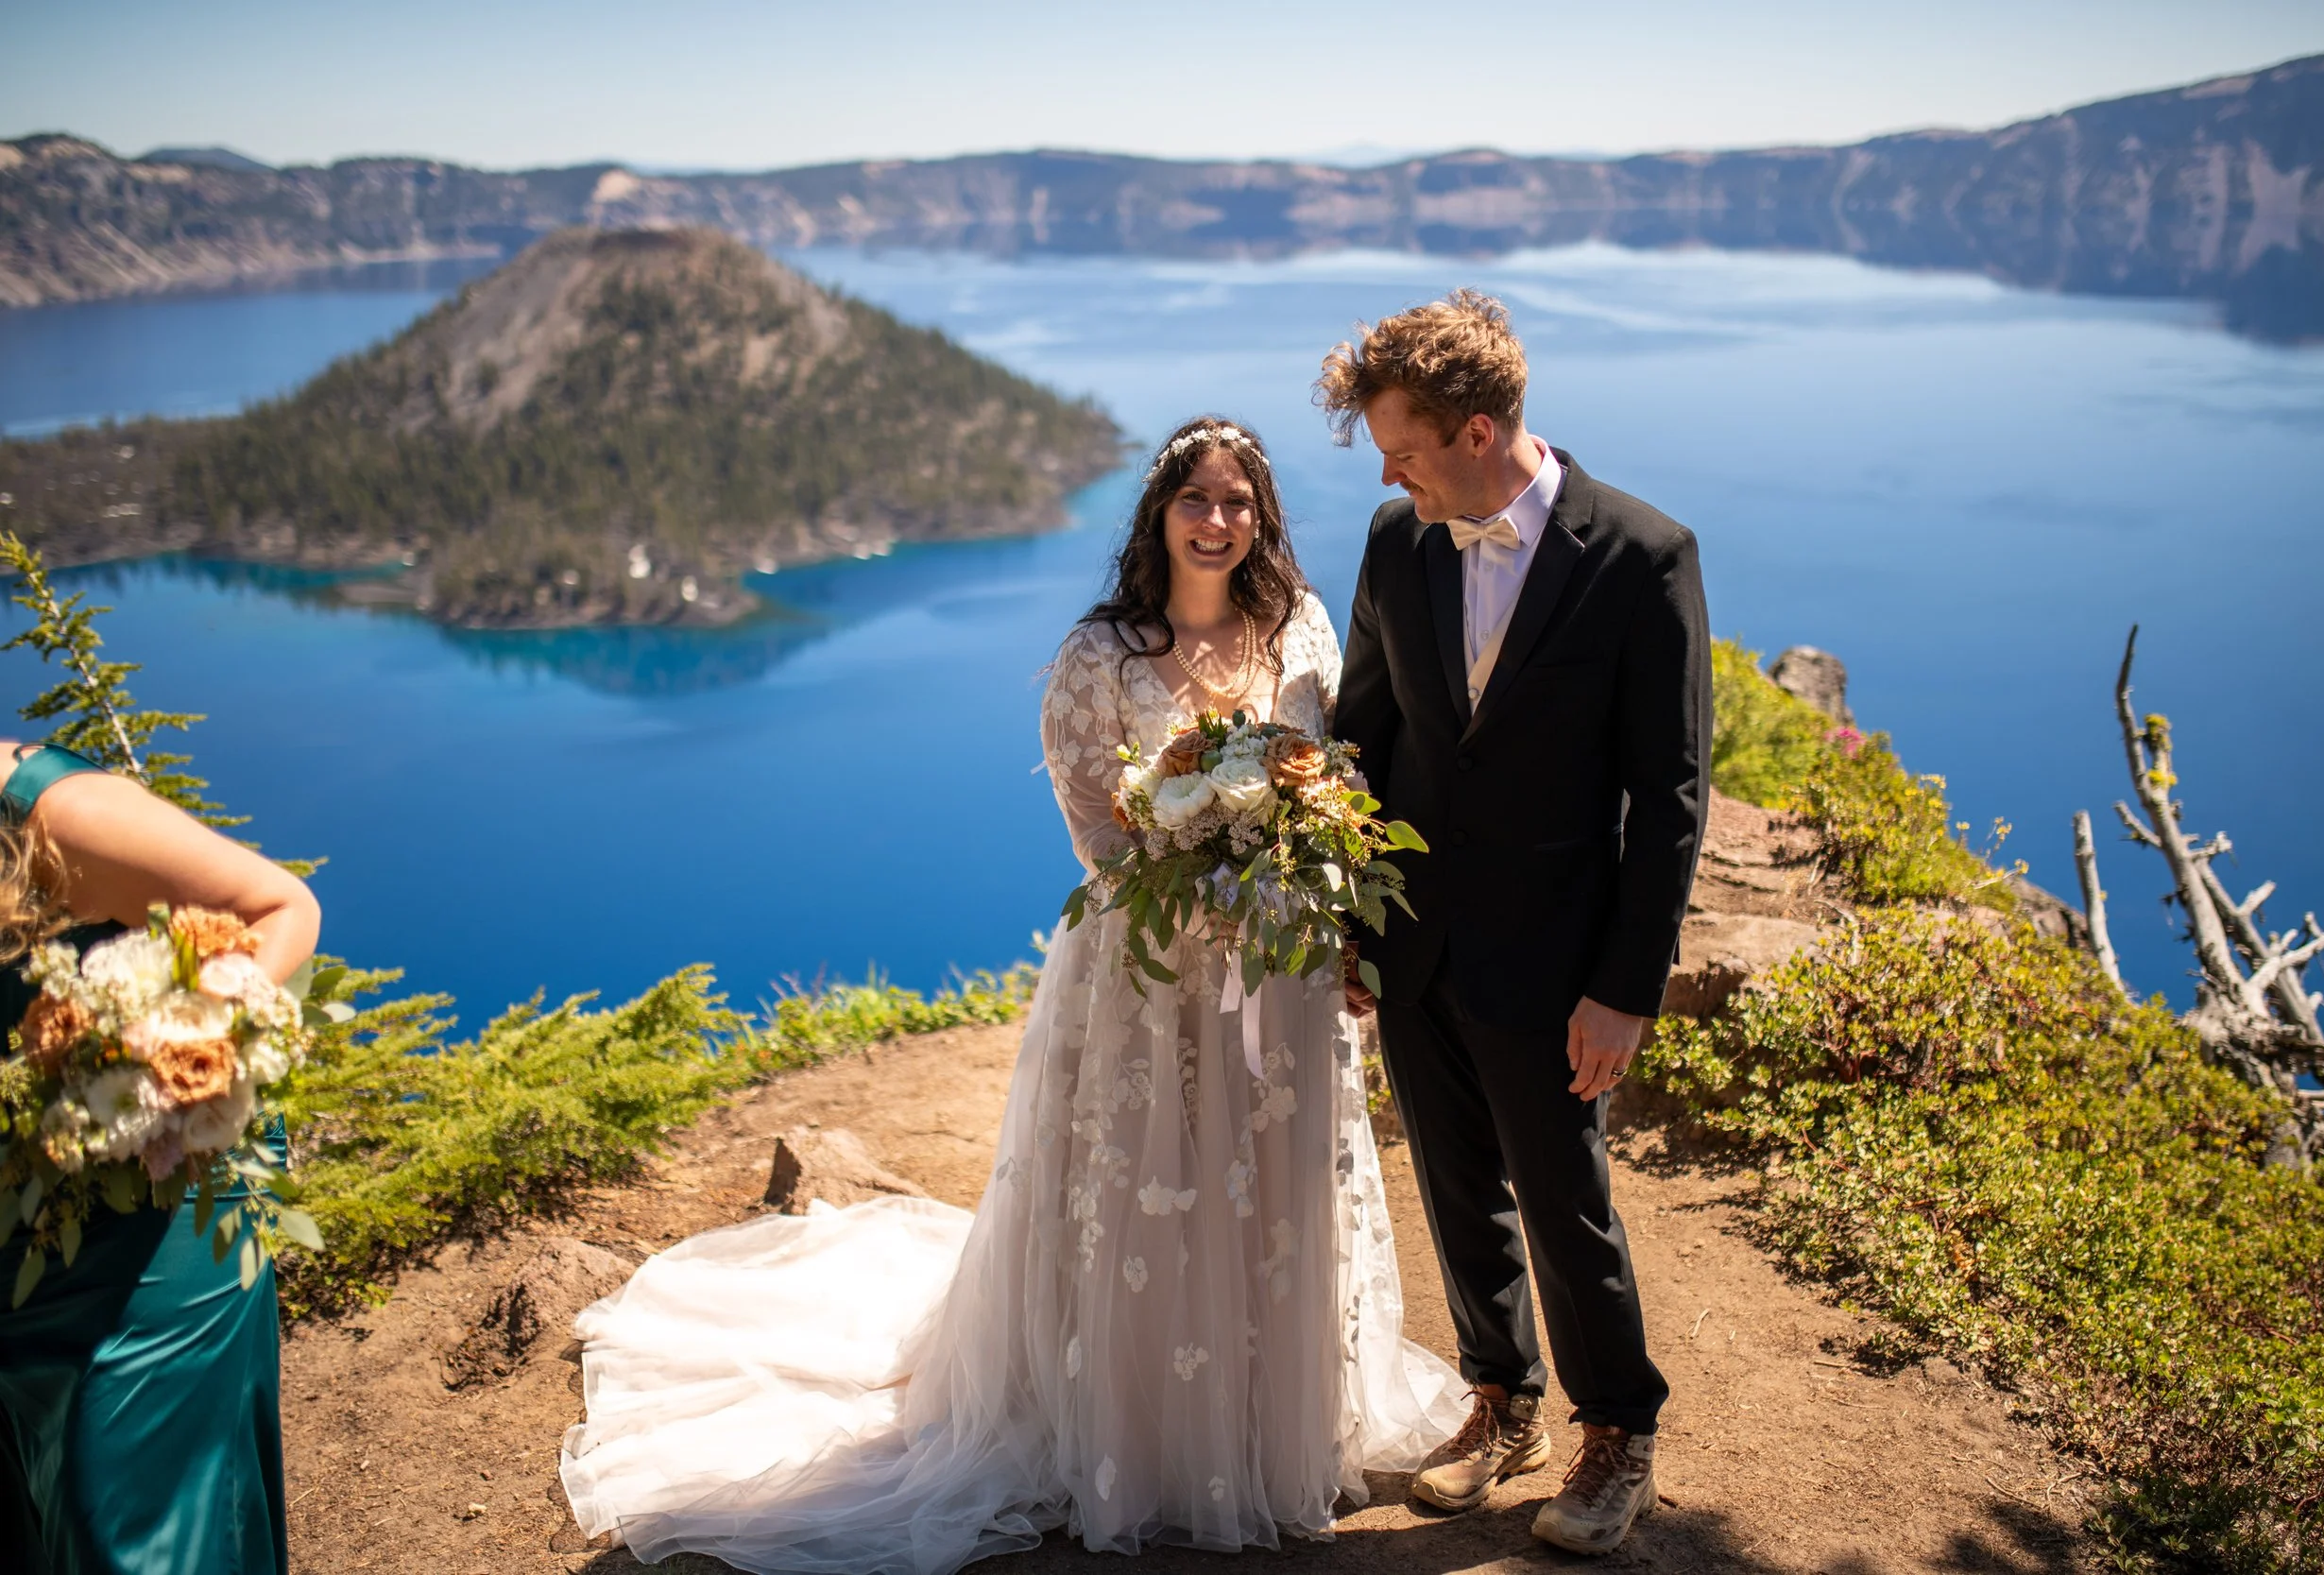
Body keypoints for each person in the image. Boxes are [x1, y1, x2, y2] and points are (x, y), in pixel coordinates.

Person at [558, 418, 1460, 1574]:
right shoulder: (1103, 653)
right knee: (1148, 1177)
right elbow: (1091, 810)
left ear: (1262, 517)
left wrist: (1293, 881)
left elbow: (1333, 771)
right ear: (1160, 514)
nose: (1219, 520)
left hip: (1272, 969)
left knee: (1263, 1180)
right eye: (1198, 499)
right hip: (1146, 965)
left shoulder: (1301, 630)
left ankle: (1261, 1418)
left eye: (1239, 501)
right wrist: (1181, 874)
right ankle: (1137, 1431)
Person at [1319, 290, 1710, 1556]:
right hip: (1417, 938)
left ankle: (1620, 1429)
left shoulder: (1641, 554)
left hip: (1559, 956)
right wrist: (1352, 918)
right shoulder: (1398, 542)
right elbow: (1363, 739)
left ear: (1480, 430)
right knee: (1453, 1183)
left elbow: (1670, 794)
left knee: (1563, 1194)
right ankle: (1504, 1398)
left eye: (1405, 445)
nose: (1388, 471)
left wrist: (1628, 983)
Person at [0, 740, 321, 1575]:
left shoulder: (49, 815)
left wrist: (170, 1051)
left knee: (132, 1521)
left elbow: (278, 907)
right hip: (16, 1239)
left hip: (150, 1228)